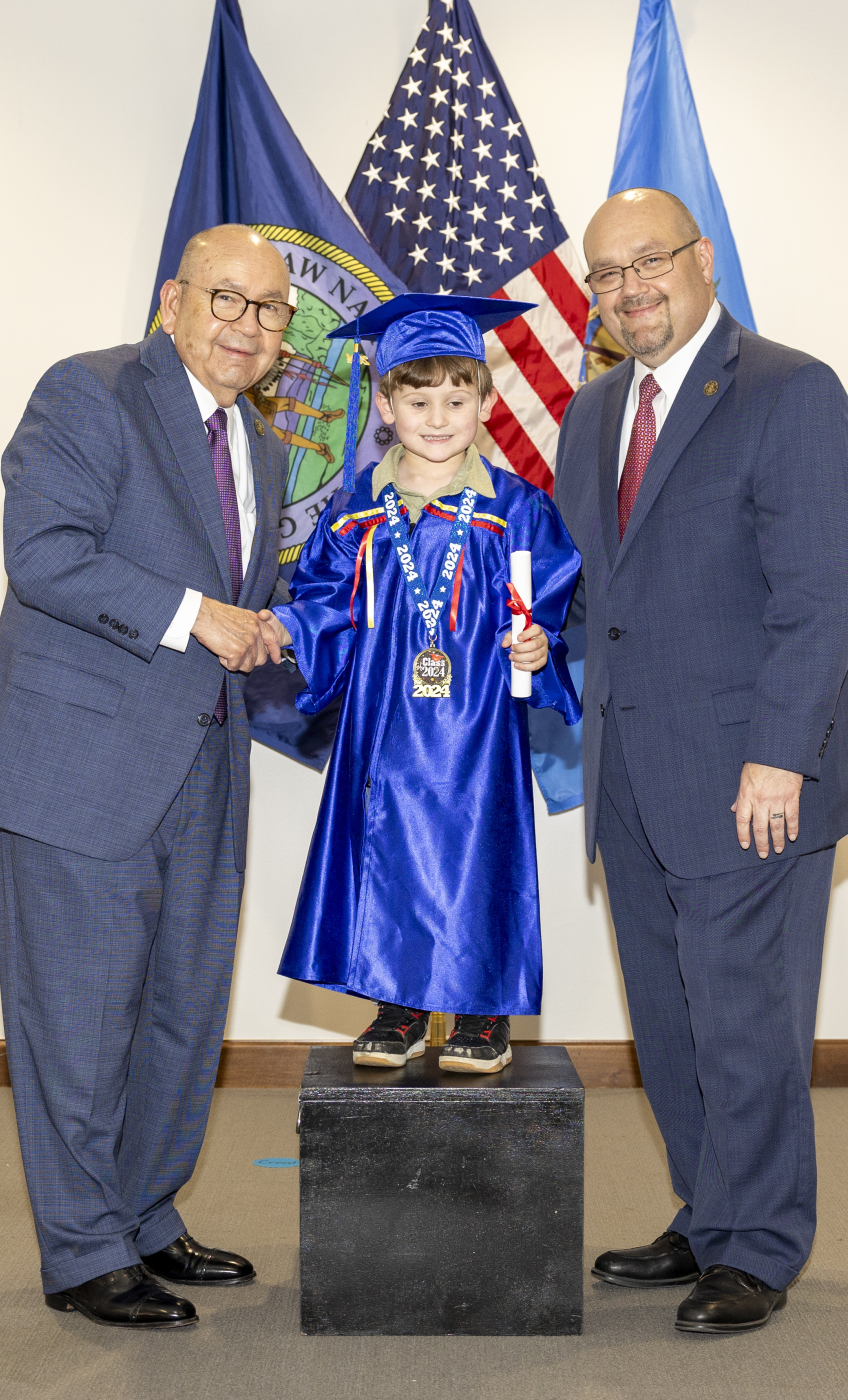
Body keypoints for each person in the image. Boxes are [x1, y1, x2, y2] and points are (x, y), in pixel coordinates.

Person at [553, 190, 848, 1334]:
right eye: (605, 273)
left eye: (649, 261)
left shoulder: (791, 389)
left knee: (745, 1019)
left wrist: (780, 758)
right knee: (670, 1017)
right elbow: (596, 591)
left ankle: (759, 1243)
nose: (629, 288)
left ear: (703, 260)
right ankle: (708, 1212)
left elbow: (819, 597)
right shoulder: (592, 410)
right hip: (631, 770)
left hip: (752, 777)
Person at [0, 225, 293, 1331]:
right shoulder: (89, 392)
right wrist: (196, 614)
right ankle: (83, 1249)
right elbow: (45, 553)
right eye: (226, 298)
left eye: (270, 310)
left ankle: (146, 1216)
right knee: (78, 1019)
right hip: (82, 769)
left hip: (207, 765)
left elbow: (238, 604)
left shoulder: (264, 447)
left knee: (181, 1015)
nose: (247, 325)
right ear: (173, 301)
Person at [262, 295, 583, 1075]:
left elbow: (547, 607)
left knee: (478, 845)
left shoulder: (515, 510)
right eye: (417, 401)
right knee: (389, 844)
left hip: (478, 722)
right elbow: (323, 604)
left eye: (456, 400)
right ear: (385, 405)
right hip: (385, 720)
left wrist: (538, 645)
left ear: (485, 401)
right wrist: (284, 627)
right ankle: (396, 1003)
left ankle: (481, 1010)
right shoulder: (356, 513)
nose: (438, 419)